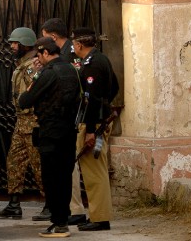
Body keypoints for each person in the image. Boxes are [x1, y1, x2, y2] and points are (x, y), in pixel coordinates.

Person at [18, 37, 81, 238]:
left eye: (39, 55)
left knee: (52, 178)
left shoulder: (48, 73)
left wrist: (35, 75)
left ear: (45, 53)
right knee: (64, 176)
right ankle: (62, 219)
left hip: (51, 132)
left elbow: (25, 100)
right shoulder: (72, 69)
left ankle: (58, 222)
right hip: (69, 131)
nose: (38, 59)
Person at [0, 27, 47, 221]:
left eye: (16, 43)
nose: (12, 46)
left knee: (39, 165)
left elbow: (38, 92)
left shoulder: (34, 65)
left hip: (33, 122)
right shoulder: (22, 64)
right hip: (21, 123)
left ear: (25, 44)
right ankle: (14, 204)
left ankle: (50, 204)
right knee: (14, 162)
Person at [71, 27, 119, 232]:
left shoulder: (92, 64)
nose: (73, 47)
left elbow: (90, 100)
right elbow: (114, 86)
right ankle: (100, 216)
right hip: (101, 123)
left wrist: (90, 130)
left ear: (79, 44)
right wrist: (106, 105)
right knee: (97, 167)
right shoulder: (102, 59)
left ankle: (100, 219)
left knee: (93, 171)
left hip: (94, 126)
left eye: (74, 43)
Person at [41, 18, 87, 225]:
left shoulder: (69, 55)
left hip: (69, 118)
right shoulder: (67, 52)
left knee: (69, 166)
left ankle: (75, 209)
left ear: (52, 36)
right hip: (66, 119)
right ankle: (66, 209)